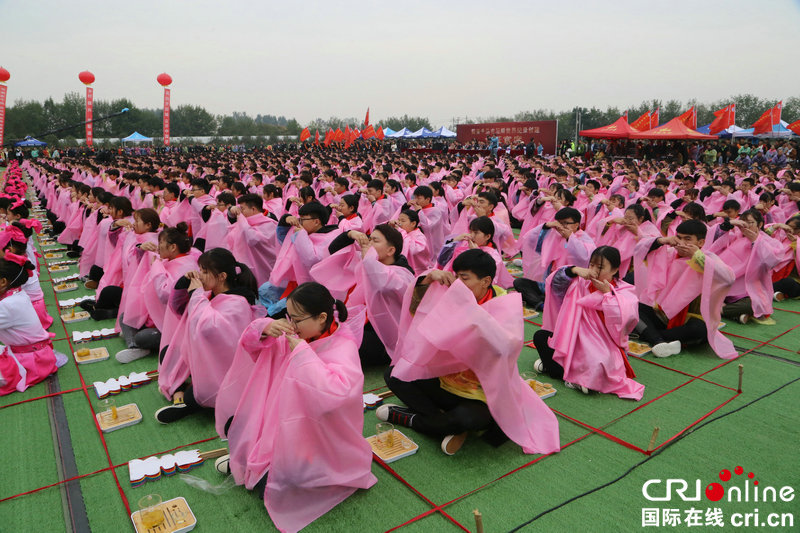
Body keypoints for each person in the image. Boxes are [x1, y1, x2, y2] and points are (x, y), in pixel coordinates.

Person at [213, 282, 376, 532]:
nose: (291, 324)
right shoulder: (301, 336)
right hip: (285, 425)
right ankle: (250, 462)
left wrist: (302, 354)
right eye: (288, 316)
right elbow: (253, 347)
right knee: (236, 424)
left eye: (296, 319)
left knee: (274, 489)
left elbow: (335, 395)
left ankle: (251, 464)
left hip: (320, 443)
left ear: (322, 318)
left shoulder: (341, 347)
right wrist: (264, 327)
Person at [381, 249, 560, 456]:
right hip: (444, 380)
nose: (457, 283)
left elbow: (505, 347)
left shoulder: (505, 305)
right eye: (456, 276)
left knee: (469, 419)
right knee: (394, 374)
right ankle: (444, 423)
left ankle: (413, 419)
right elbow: (416, 311)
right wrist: (428, 279)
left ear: (486, 281)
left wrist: (470, 317)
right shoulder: (452, 295)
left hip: (481, 393)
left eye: (464, 278)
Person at [156, 248, 264, 423]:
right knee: (168, 354)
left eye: (205, 272)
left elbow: (209, 328)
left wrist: (195, 294)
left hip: (224, 371)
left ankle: (184, 397)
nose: (200, 276)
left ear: (221, 276)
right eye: (200, 270)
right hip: (205, 360)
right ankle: (182, 394)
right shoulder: (209, 295)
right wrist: (184, 283)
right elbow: (178, 308)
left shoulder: (238, 303)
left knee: (197, 395)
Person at [534, 246, 643, 399]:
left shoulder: (624, 292)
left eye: (599, 267)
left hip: (604, 347)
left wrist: (607, 295)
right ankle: (574, 378)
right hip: (573, 340)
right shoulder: (580, 283)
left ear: (615, 270)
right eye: (591, 265)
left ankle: (555, 369)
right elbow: (555, 284)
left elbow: (625, 322)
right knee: (540, 336)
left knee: (598, 362)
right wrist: (574, 270)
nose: (593, 270)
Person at [633, 220, 737, 359]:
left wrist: (697, 256)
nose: (681, 243)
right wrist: (662, 240)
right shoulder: (669, 252)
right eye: (679, 237)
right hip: (661, 314)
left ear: (700, 243)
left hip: (689, 319)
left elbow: (729, 278)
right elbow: (642, 249)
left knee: (701, 331)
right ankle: (658, 341)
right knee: (634, 308)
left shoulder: (707, 259)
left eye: (687, 239)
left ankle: (650, 335)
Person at [315, 223, 416, 366]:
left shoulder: (402, 274)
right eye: (369, 239)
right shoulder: (369, 262)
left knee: (338, 346)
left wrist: (368, 257)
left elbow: (382, 282)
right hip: (363, 325)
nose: (369, 244)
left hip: (385, 339)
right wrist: (350, 234)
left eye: (375, 241)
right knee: (320, 329)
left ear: (390, 250)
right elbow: (334, 250)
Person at [0, 254, 60, 395]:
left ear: (3, 282)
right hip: (38, 356)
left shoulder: (8, 305)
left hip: (30, 363)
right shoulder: (16, 294)